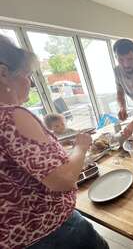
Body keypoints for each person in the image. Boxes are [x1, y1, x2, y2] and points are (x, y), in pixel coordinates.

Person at [0, 35, 109, 249]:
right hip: (50, 232)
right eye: (27, 74)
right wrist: (81, 146)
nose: (31, 83)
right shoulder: (13, 116)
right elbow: (64, 179)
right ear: (3, 74)